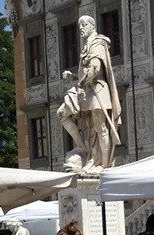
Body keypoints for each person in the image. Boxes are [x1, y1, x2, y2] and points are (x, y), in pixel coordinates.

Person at [57, 15, 121, 174]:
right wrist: (74, 77)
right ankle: (84, 149)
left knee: (100, 128)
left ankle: (103, 165)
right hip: (87, 90)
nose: (81, 28)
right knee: (63, 114)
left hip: (97, 91)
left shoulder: (98, 43)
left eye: (84, 24)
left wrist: (79, 84)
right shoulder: (88, 45)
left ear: (93, 25)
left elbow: (95, 69)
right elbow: (89, 72)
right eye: (79, 25)